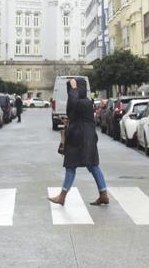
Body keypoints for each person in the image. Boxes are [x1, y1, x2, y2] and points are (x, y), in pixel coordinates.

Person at [49, 79, 108, 207]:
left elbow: (73, 104)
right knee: (91, 166)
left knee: (76, 165)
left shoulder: (85, 102)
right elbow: (73, 111)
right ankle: (103, 194)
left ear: (79, 88)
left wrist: (74, 89)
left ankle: (62, 197)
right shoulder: (83, 102)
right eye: (70, 89)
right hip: (83, 138)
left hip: (82, 139)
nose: (70, 91)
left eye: (73, 88)